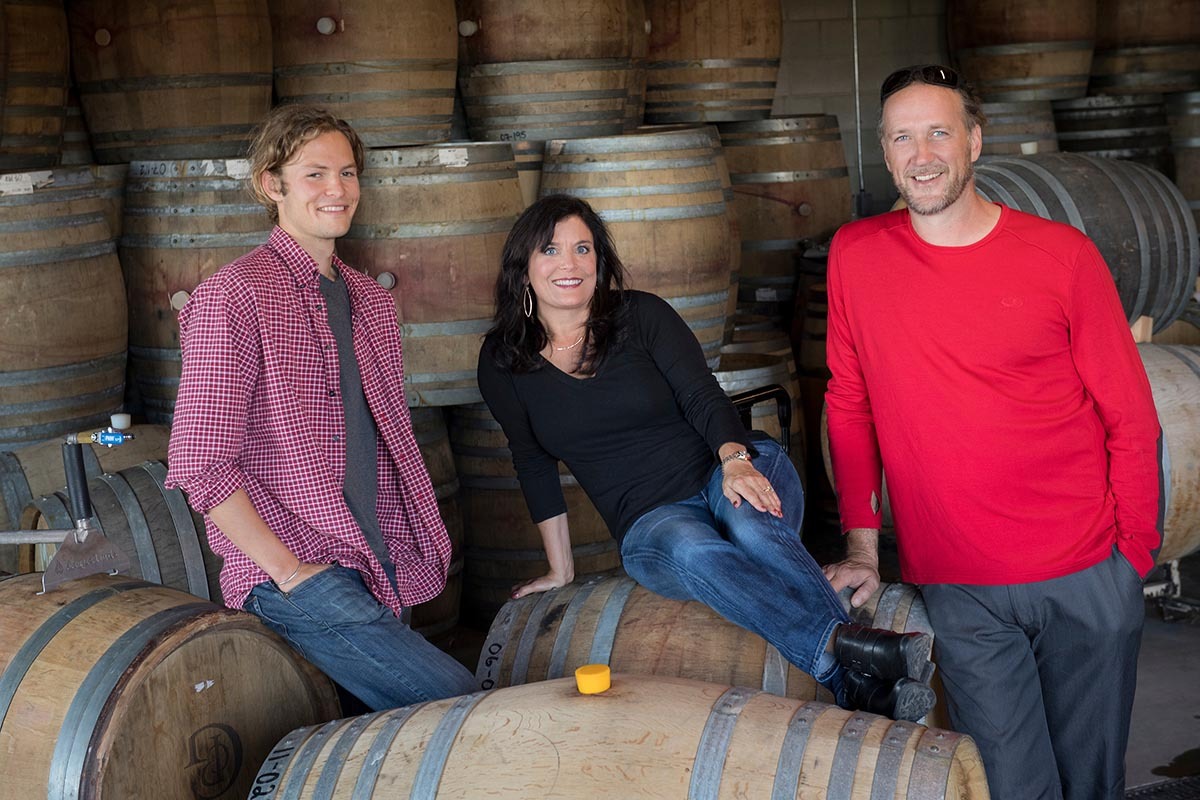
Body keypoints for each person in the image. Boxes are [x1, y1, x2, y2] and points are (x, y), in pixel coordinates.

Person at [823, 65, 1163, 799]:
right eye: (903, 137)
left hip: (1082, 572)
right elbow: (850, 403)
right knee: (1012, 785)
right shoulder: (856, 255)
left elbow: (1130, 414)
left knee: (1090, 782)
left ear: (974, 141)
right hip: (961, 586)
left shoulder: (1061, 257)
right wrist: (863, 545)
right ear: (885, 154)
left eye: (939, 131)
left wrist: (1131, 558)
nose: (922, 154)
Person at [477, 193, 936, 721]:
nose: (570, 264)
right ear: (524, 266)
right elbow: (531, 462)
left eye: (583, 248)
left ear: (600, 260)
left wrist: (734, 459)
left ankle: (852, 680)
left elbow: (702, 395)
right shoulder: (502, 361)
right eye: (551, 250)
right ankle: (855, 661)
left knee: (752, 530)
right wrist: (560, 568)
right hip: (649, 521)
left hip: (728, 466)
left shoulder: (641, 314)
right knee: (695, 552)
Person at [165, 104, 476, 710]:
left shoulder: (372, 304)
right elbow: (200, 461)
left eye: (349, 173)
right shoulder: (234, 295)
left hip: (379, 561)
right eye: (315, 173)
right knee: (455, 704)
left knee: (381, 751)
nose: (338, 189)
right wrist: (286, 570)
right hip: (297, 570)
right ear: (270, 185)